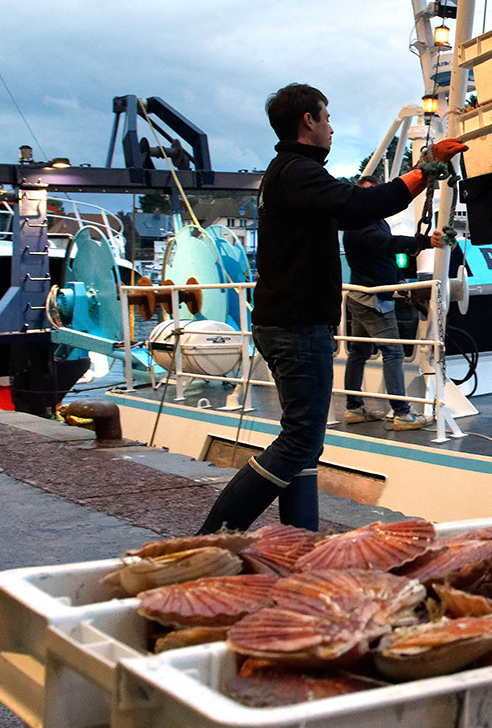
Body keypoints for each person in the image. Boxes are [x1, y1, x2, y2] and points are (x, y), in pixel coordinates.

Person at [196, 82, 465, 534]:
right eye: (326, 117)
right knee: (299, 440)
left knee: (305, 444)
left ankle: (300, 540)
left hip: (287, 322)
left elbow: (350, 211)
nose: (332, 128)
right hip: (296, 326)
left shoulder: (288, 173)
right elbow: (360, 203)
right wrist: (423, 170)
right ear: (308, 121)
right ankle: (212, 537)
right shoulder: (297, 171)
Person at [342, 176, 443, 430]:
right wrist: (424, 241)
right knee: (393, 352)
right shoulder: (359, 226)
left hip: (365, 295)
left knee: (359, 352)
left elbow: (384, 257)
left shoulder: (374, 221)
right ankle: (402, 413)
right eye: (368, 194)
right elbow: (386, 244)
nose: (374, 199)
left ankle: (354, 408)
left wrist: (399, 283)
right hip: (372, 300)